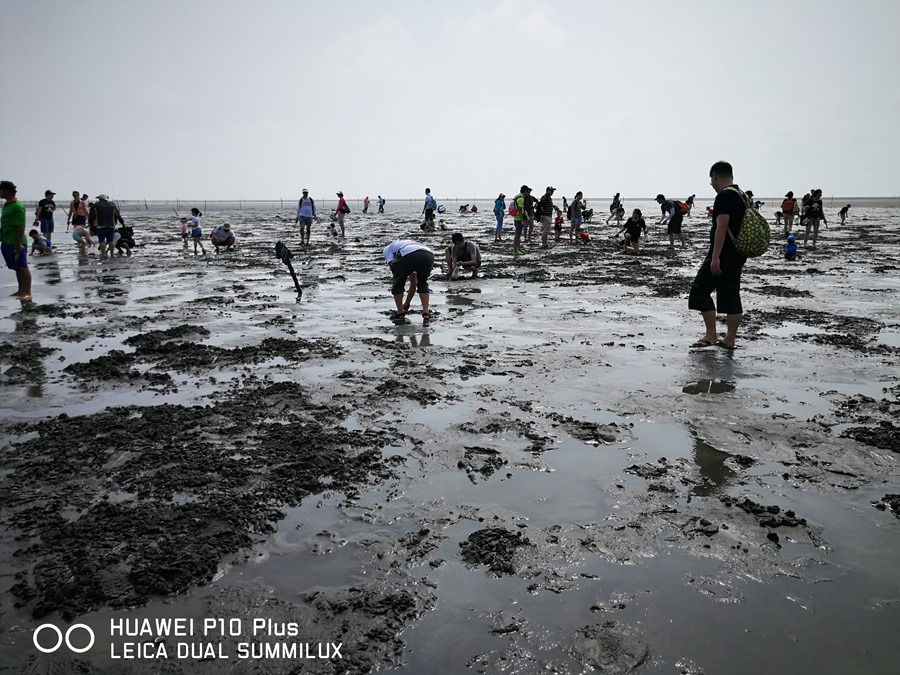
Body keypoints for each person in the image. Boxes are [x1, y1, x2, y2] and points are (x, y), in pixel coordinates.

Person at [688, 161, 747, 351]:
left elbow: (722, 226)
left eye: (711, 180)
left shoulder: (724, 196)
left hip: (723, 254)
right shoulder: (743, 196)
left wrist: (715, 257)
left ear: (715, 176)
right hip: (738, 254)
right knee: (731, 295)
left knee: (699, 291)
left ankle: (711, 334)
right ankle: (729, 339)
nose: (711, 184)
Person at [383, 240, 434, 325]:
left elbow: (393, 265)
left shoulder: (387, 249)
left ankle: (400, 313)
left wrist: (399, 276)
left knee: (398, 283)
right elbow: (413, 284)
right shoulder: (408, 243)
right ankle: (426, 313)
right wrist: (407, 303)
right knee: (422, 282)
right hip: (428, 255)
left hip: (409, 255)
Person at [0, 180, 31, 300]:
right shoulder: (7, 205)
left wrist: (18, 243)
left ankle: (27, 292)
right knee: (16, 267)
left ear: (6, 191)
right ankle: (21, 290)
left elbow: (21, 227)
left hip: (17, 242)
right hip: (7, 241)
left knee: (23, 267)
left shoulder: (17, 206)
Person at [88, 194, 125, 259]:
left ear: (99, 199)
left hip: (100, 225)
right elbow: (118, 215)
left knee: (101, 240)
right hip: (111, 225)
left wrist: (91, 226)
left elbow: (92, 217)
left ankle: (103, 254)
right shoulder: (113, 205)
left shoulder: (96, 205)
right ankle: (112, 254)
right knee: (111, 241)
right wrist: (122, 223)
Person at [512, 186, 529, 256]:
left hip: (516, 218)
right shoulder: (521, 199)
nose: (528, 193)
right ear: (525, 191)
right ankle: (515, 250)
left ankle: (519, 249)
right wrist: (522, 221)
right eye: (527, 191)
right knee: (517, 235)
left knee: (518, 235)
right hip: (519, 219)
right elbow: (519, 210)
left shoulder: (517, 196)